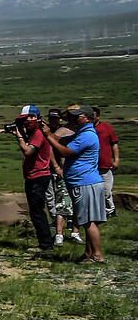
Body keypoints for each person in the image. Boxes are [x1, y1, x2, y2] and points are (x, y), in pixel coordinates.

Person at [43, 106, 106, 263]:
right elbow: (61, 140)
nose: (73, 119)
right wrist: (49, 133)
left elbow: (65, 151)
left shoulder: (86, 136)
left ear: (87, 118)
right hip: (87, 181)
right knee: (88, 220)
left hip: (84, 182)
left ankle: (97, 255)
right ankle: (89, 253)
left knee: (88, 221)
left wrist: (47, 136)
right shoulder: (84, 133)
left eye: (78, 116)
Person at [10, 105, 55, 251]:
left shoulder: (38, 134)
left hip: (38, 176)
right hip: (34, 175)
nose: (26, 122)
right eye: (24, 120)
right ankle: (45, 241)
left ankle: (46, 244)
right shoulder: (34, 132)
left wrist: (19, 136)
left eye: (29, 118)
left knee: (37, 211)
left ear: (36, 118)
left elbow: (28, 151)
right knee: (36, 211)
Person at [92, 107, 120, 215]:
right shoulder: (86, 129)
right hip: (90, 165)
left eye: (94, 115)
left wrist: (116, 159)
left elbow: (114, 144)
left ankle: (109, 210)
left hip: (104, 164)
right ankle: (99, 211)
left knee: (106, 190)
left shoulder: (107, 127)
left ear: (98, 116)